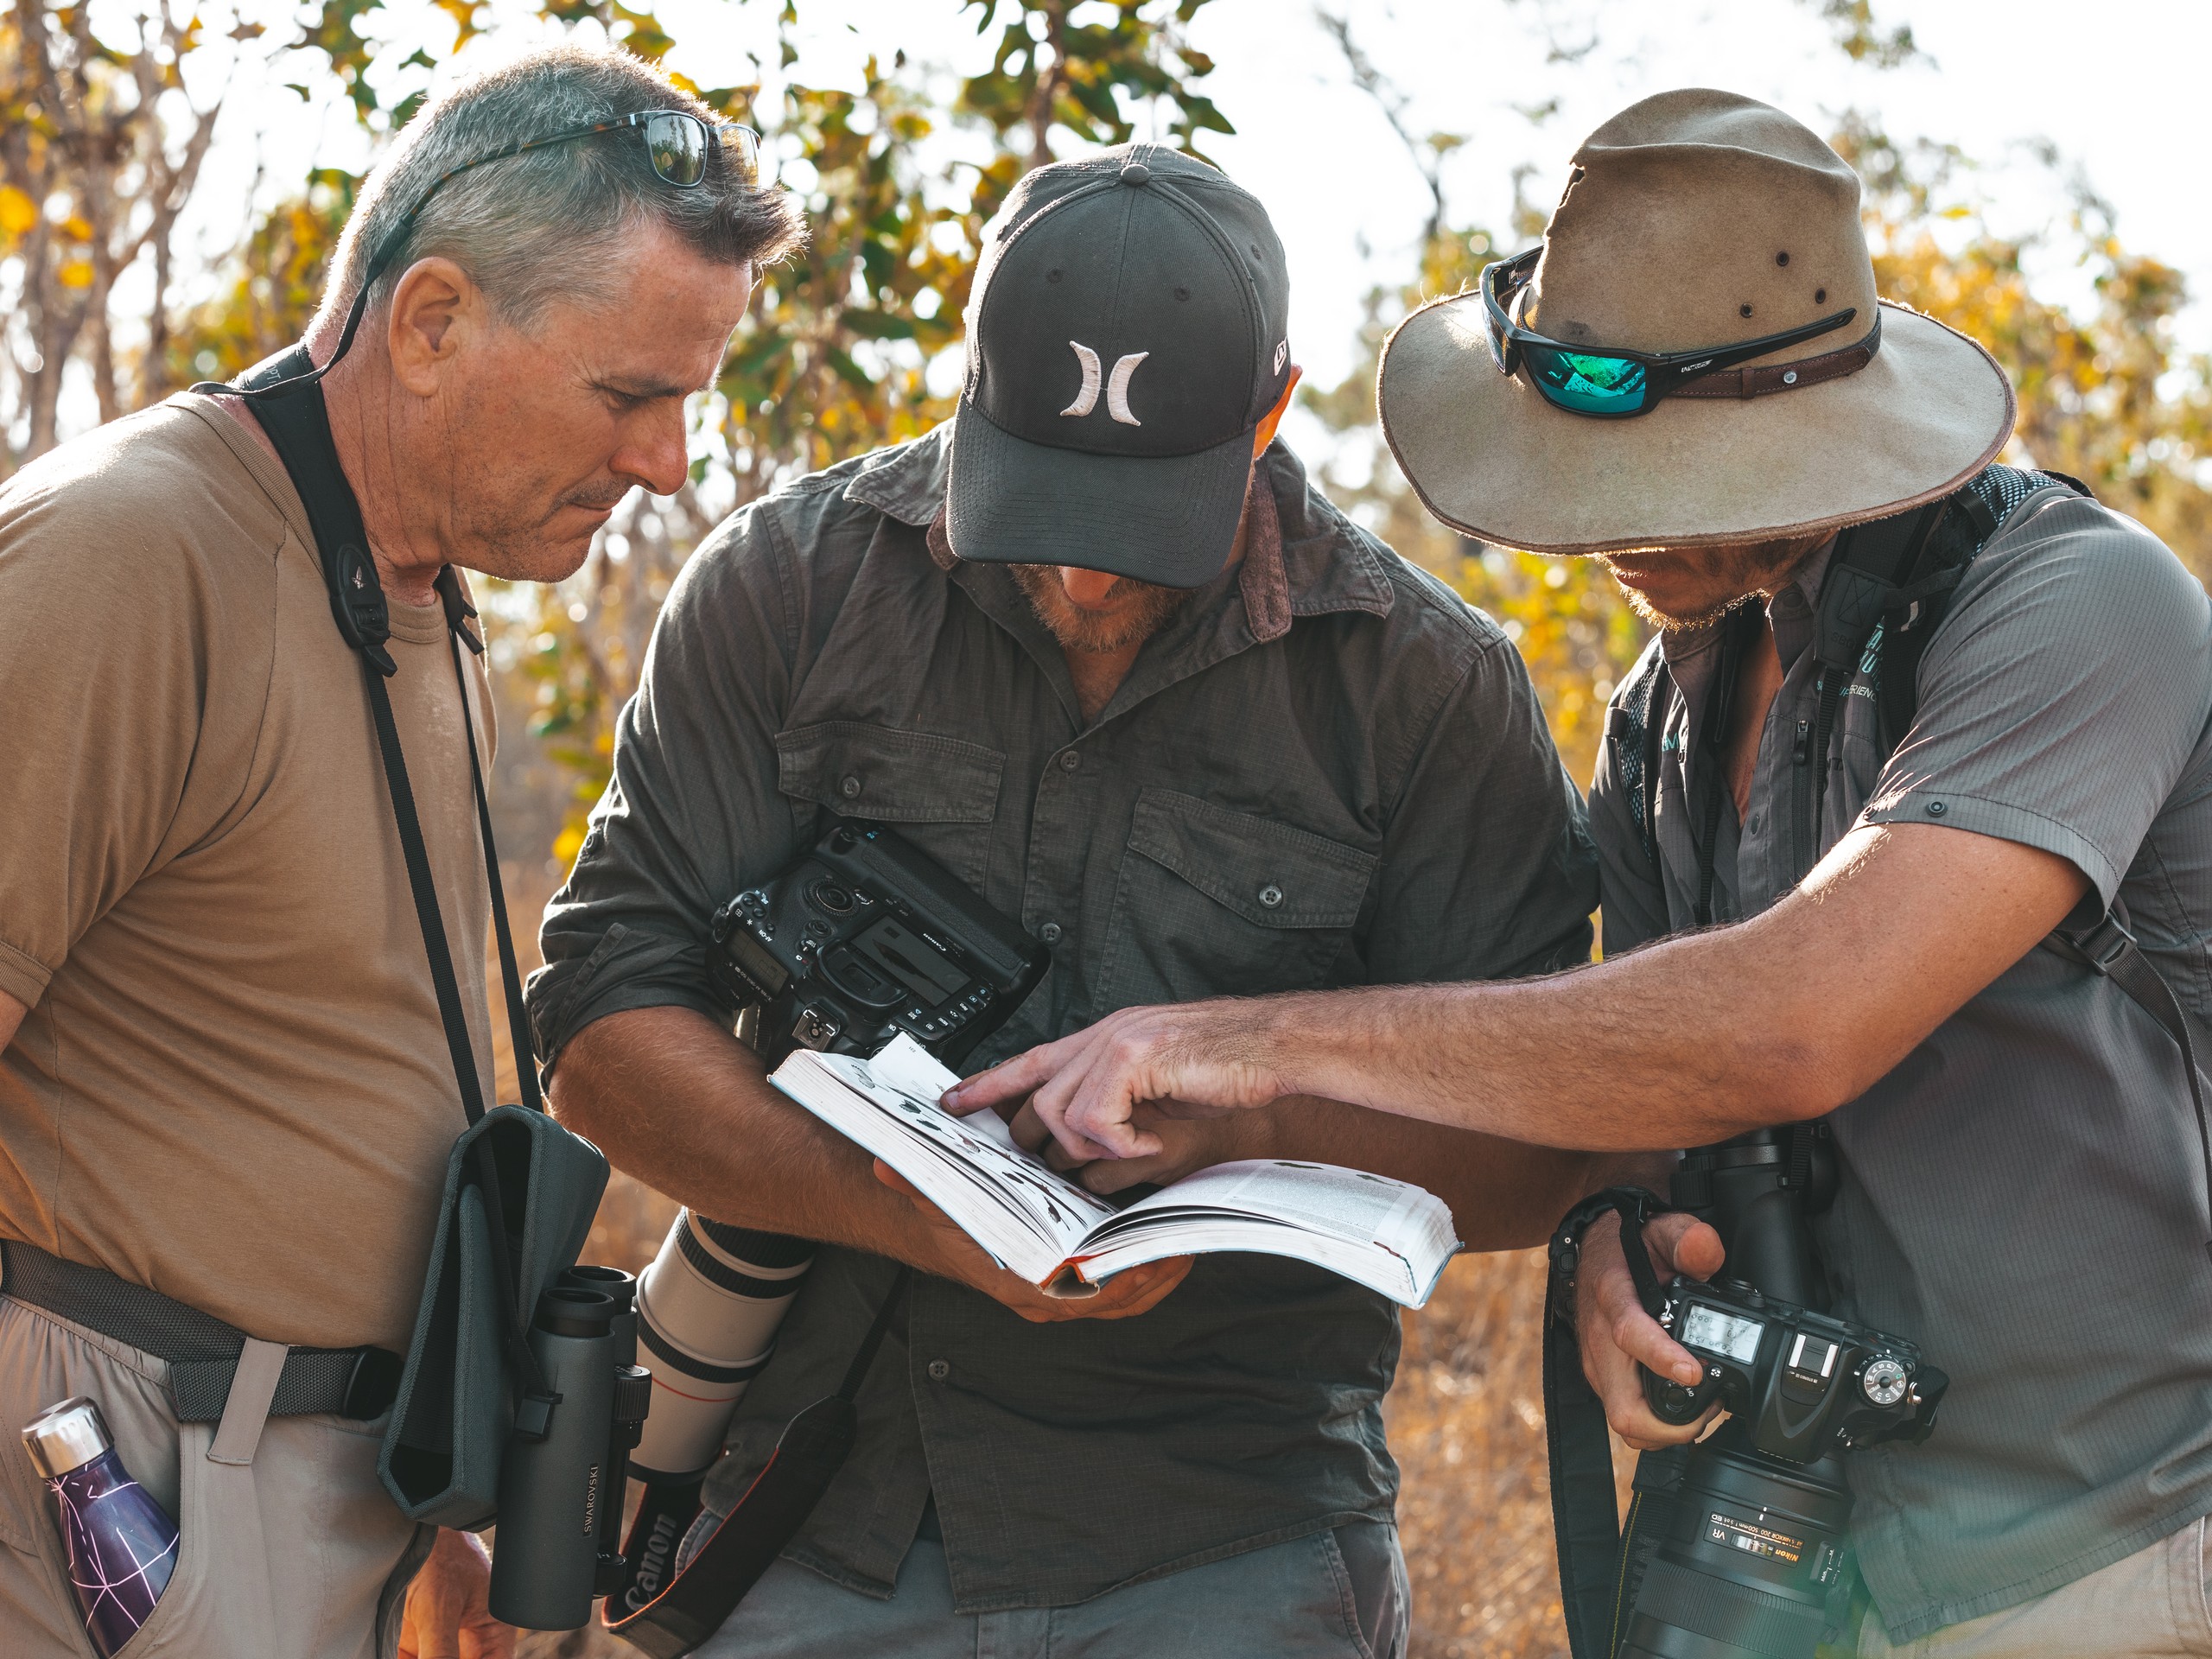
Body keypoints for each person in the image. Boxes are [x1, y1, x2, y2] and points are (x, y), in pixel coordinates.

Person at [953, 91, 2212, 1658]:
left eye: (1676, 472)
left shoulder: (2084, 609)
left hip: (2134, 1556)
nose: (1606, 533)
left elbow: (1794, 1020)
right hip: (1834, 1577)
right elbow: (1657, 1083)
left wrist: (1247, 1037)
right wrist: (1613, 1237)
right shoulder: (1665, 711)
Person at [529, 143, 1624, 1659]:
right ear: (967, 385)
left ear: (1272, 411)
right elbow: (596, 1018)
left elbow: (1541, 1158)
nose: (1094, 587)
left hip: (1226, 1541)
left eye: (1143, 529)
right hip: (804, 1516)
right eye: (1044, 511)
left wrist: (1250, 1106)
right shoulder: (792, 589)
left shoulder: (1423, 691)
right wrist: (895, 1210)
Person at [0, 43, 799, 1659]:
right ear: (432, 321)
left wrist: (429, 1500)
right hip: (142, 1490)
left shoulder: (416, 588)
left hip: (332, 1487)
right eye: (629, 394)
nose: (665, 464)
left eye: (687, 403)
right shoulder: (128, 553)